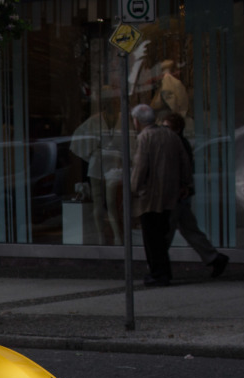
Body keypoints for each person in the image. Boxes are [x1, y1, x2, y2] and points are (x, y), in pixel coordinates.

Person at [160, 111, 228, 279]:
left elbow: (182, 169)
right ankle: (213, 257)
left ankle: (160, 265)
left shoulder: (177, 144)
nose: (164, 130)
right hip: (181, 194)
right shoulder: (178, 143)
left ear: (176, 129)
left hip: (177, 194)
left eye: (167, 127)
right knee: (188, 229)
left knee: (168, 231)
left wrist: (184, 187)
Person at [130, 103, 191, 287]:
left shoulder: (145, 137)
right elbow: (184, 162)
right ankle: (163, 272)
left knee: (152, 237)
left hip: (150, 196)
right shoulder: (171, 135)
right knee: (161, 235)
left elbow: (140, 167)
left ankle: (158, 274)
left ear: (137, 121)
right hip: (169, 195)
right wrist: (185, 184)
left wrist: (133, 189)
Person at [70, 88, 126, 245]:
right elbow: (78, 139)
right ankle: (107, 236)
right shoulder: (96, 120)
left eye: (114, 100)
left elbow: (78, 139)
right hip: (102, 161)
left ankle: (115, 236)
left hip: (110, 163)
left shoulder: (120, 118)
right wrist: (91, 155)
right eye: (111, 100)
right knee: (101, 200)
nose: (113, 103)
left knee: (109, 200)